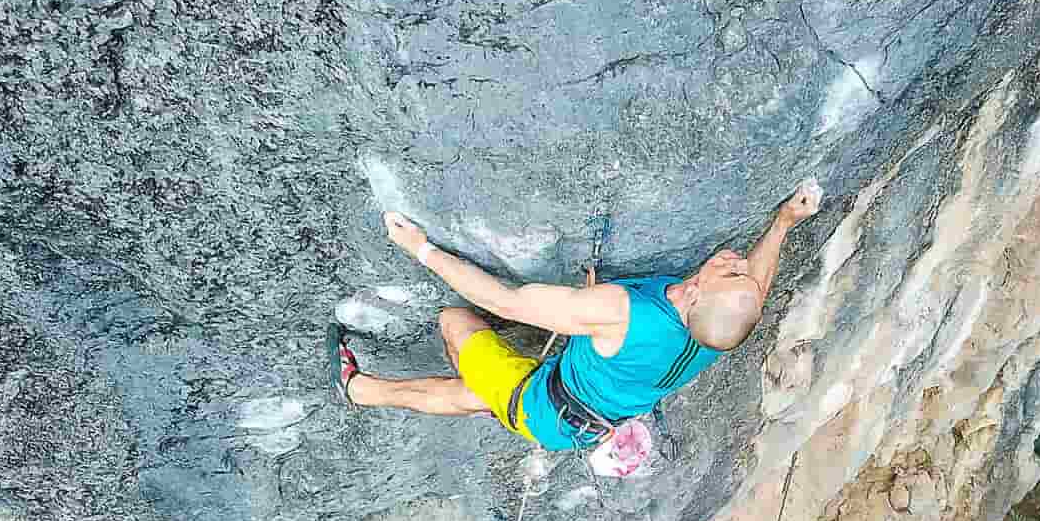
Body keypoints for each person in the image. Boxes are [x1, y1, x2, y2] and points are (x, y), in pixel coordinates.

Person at [332, 180, 824, 449]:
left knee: (455, 324)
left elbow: (504, 301)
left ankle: (363, 391)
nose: (738, 263)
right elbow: (755, 289)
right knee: (482, 396)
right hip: (591, 417)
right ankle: (486, 398)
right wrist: (784, 222)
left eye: (731, 272)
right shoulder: (718, 331)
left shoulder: (622, 313)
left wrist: (422, 249)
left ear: (698, 296)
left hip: (543, 406)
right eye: (741, 271)